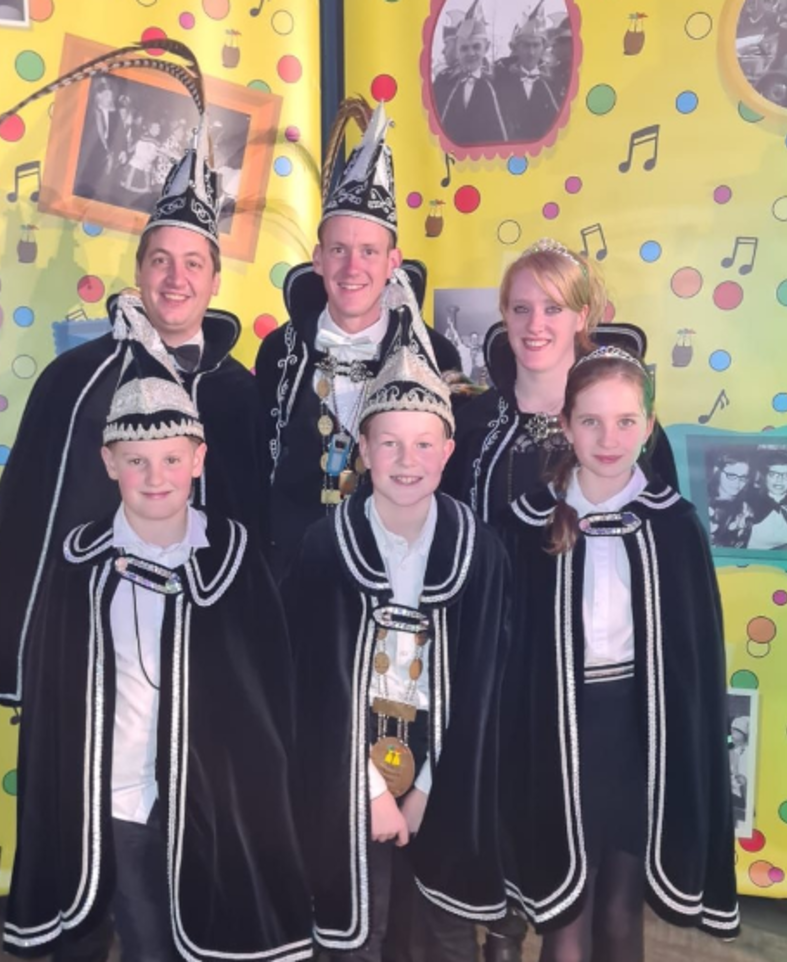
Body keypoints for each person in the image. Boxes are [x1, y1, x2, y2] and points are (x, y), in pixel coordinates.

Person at [0, 346, 312, 961]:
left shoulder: (234, 559)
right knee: (128, 940)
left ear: (198, 460)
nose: (154, 477)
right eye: (136, 460)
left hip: (210, 804)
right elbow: (54, 694)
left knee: (196, 941)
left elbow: (265, 695)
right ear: (108, 463)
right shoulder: (79, 561)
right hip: (111, 797)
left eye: (171, 459)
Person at [0, 43, 269, 710]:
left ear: (215, 279)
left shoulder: (243, 395)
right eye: (161, 260)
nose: (176, 279)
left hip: (206, 665)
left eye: (193, 263)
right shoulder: (73, 383)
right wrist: (18, 652)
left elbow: (257, 534)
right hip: (92, 658)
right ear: (140, 269)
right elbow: (27, 520)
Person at [498, 345, 740, 962]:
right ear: (565, 425)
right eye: (591, 421)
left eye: (626, 421)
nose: (609, 439)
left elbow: (693, 662)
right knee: (565, 917)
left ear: (649, 426)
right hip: (554, 734)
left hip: (640, 736)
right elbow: (509, 656)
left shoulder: (674, 525)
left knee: (619, 912)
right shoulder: (526, 524)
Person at [284, 318, 509, 961]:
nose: (407, 461)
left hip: (445, 779)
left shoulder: (480, 554)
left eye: (423, 444)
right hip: (346, 777)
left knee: (439, 937)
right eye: (389, 444)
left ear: (447, 451)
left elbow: (485, 685)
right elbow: (309, 684)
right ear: (363, 448)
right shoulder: (325, 548)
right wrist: (371, 789)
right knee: (356, 930)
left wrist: (428, 789)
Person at [256, 96, 459, 579]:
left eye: (369, 251)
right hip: (296, 580)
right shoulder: (280, 353)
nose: (352, 268)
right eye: (339, 250)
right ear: (318, 258)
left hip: (400, 575)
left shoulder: (435, 355)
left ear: (393, 262)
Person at [444, 238, 678, 526]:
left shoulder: (629, 425)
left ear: (581, 317)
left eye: (553, 308)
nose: (535, 325)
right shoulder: (470, 426)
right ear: (505, 315)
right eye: (521, 308)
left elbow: (669, 534)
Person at [432, 0, 508, 145]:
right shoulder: (443, 83)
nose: (470, 53)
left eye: (476, 47)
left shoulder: (498, 82)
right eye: (464, 48)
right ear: (457, 51)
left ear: (486, 48)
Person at [494, 10, 561, 143]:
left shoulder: (552, 82)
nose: (531, 52)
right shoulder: (500, 81)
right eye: (526, 45)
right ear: (517, 48)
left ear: (543, 48)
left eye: (536, 45)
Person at [707, 451, 754, 548]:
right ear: (717, 471)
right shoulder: (700, 499)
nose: (737, 482)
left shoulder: (745, 511)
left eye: (743, 477)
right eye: (731, 475)